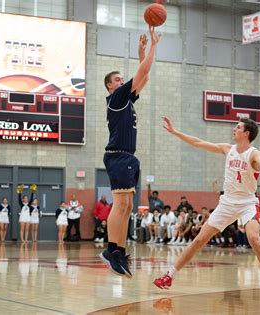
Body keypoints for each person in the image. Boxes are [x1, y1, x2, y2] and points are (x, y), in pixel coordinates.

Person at [153, 116, 260, 298]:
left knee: (253, 237)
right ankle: (169, 276)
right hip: (227, 203)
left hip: (247, 203)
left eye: (237, 127)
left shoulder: (253, 153)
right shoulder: (227, 149)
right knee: (199, 240)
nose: (234, 130)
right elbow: (199, 142)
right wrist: (175, 132)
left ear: (246, 133)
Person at [100, 28, 161, 278]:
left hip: (127, 156)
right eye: (117, 79)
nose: (121, 81)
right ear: (110, 85)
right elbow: (143, 73)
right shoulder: (117, 98)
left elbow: (143, 78)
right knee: (121, 204)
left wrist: (141, 54)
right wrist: (153, 47)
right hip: (118, 154)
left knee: (126, 207)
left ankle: (119, 250)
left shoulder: (127, 100)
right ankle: (112, 250)